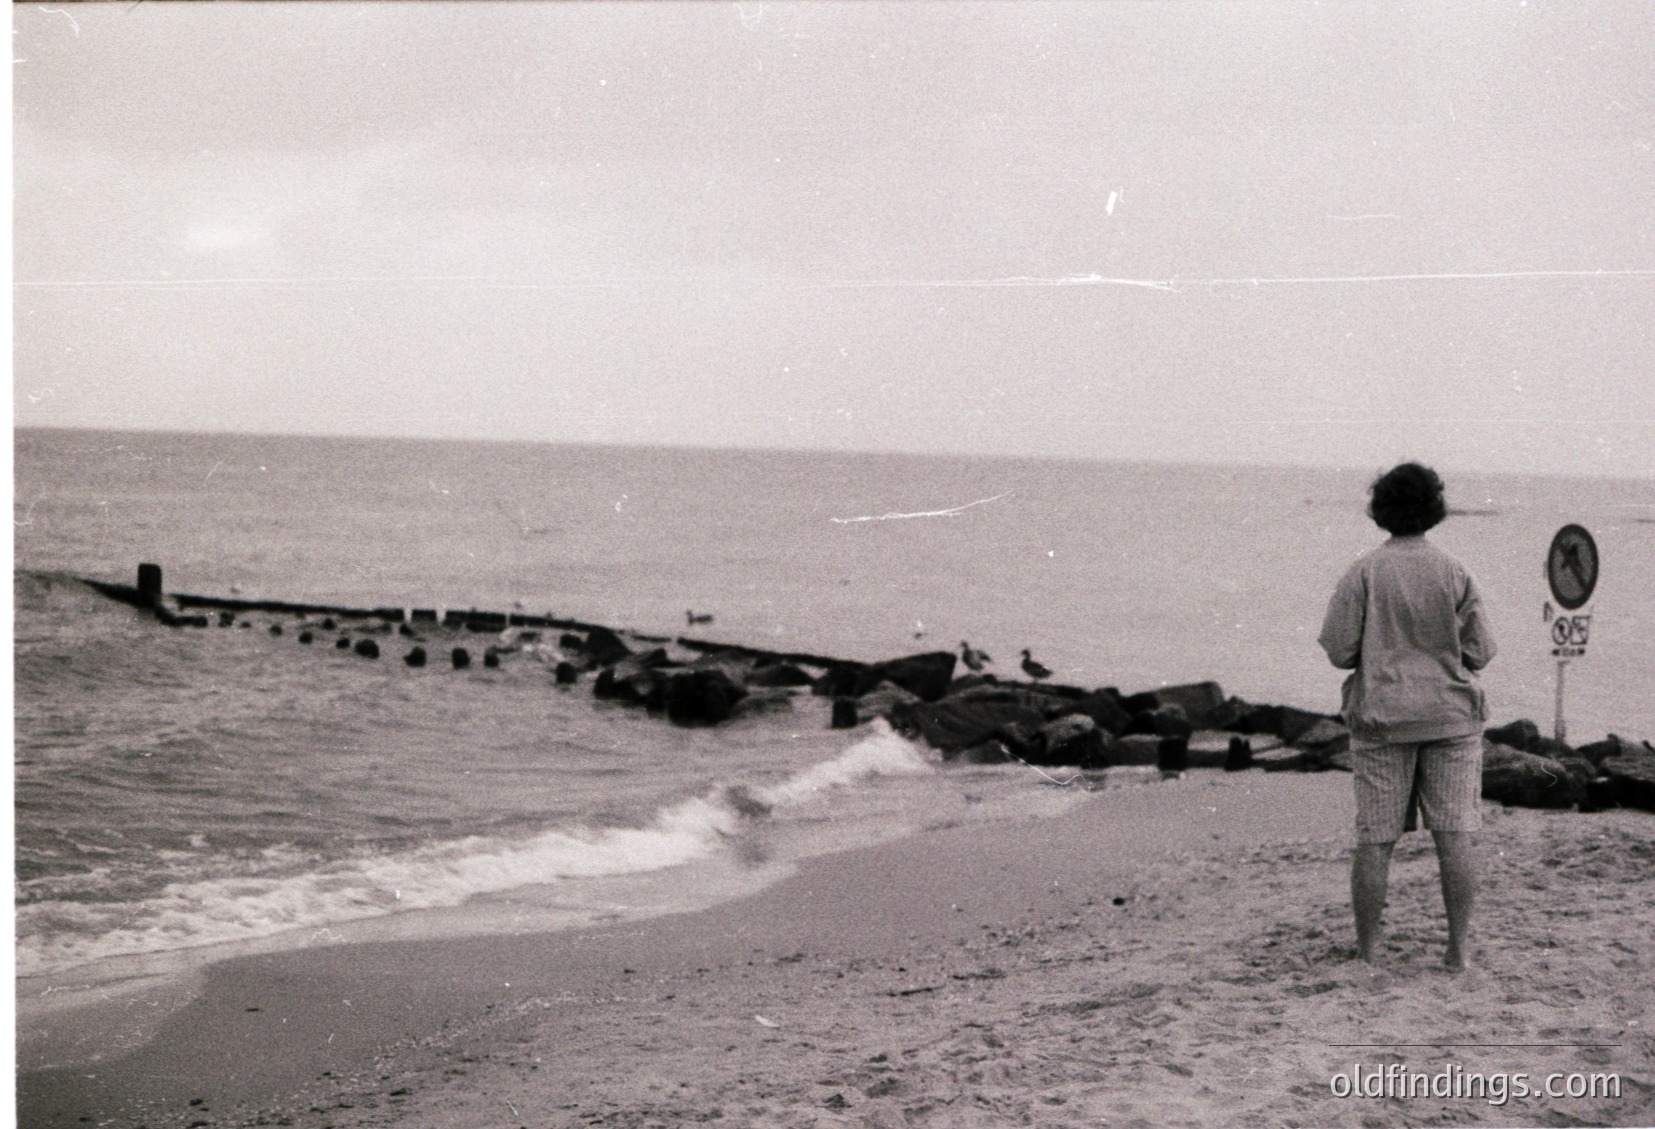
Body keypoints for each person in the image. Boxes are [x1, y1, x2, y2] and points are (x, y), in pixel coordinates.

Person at [1318, 462, 1497, 970]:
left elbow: (1337, 649)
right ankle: (1459, 950)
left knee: (1375, 841)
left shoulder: (1364, 571)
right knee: (1455, 836)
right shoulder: (1454, 570)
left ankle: (1370, 951)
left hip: (1382, 720)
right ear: (1434, 508)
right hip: (1450, 718)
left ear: (1381, 509)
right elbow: (1481, 651)